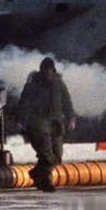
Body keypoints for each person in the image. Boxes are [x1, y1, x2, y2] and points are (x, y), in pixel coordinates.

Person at [18, 57, 76, 192]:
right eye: (44, 71)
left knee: (57, 155)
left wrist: (71, 117)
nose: (47, 74)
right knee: (46, 154)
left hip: (56, 124)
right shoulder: (32, 85)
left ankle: (37, 173)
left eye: (49, 71)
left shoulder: (59, 84)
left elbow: (67, 101)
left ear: (53, 71)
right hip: (38, 123)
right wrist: (21, 121)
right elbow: (23, 104)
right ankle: (46, 182)